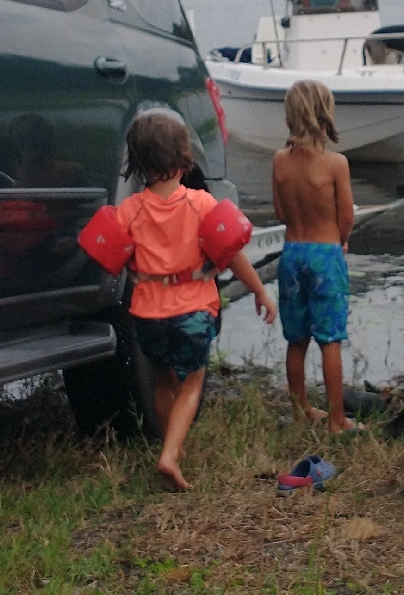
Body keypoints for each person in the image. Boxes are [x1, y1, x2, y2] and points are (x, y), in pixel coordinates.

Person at [118, 112, 276, 491]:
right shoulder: (202, 204)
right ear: (183, 155)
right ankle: (170, 455)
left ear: (137, 162)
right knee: (192, 383)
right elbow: (233, 255)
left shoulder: (129, 210)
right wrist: (259, 290)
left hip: (148, 312)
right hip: (192, 310)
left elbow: (114, 253)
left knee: (163, 380)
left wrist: (138, 274)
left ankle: (170, 443)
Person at [270, 80, 357, 435]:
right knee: (329, 338)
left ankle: (300, 409)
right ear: (325, 114)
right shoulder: (336, 164)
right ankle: (337, 420)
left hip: (292, 254)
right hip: (325, 254)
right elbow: (346, 216)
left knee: (297, 338)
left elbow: (280, 213)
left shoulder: (279, 161)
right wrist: (342, 241)